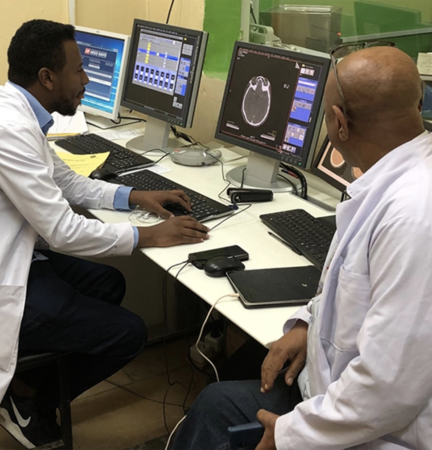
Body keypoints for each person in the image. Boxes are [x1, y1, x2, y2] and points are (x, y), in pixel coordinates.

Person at [0, 19, 210, 448]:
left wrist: (135, 196)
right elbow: (62, 231)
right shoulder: (6, 129)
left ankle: (24, 383)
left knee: (110, 282)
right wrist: (149, 236)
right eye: (78, 70)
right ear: (47, 77)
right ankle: (32, 398)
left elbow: (66, 182)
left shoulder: (11, 107)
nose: (86, 80)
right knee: (129, 333)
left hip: (1, 258)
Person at [172, 46, 432, 449]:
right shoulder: (394, 183)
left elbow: (389, 387)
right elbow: (351, 291)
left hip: (381, 430)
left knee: (216, 409)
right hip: (344, 397)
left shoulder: (414, 216)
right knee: (219, 397)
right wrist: (308, 323)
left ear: (338, 122)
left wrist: (290, 435)